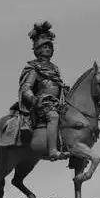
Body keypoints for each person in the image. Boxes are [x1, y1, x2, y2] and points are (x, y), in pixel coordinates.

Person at [15, 21, 68, 161]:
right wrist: (34, 99)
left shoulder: (54, 69)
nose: (48, 49)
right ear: (38, 50)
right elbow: (26, 88)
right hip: (42, 104)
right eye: (45, 47)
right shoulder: (34, 68)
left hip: (57, 103)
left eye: (50, 47)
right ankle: (53, 151)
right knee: (53, 117)